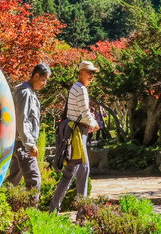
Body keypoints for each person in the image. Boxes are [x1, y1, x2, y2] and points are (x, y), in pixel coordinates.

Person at [48, 61, 100, 212]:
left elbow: (75, 113)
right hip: (78, 133)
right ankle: (83, 210)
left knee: (71, 171)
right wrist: (94, 124)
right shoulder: (81, 89)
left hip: (74, 130)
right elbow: (84, 111)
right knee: (83, 169)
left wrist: (88, 123)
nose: (91, 76)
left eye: (93, 73)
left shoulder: (74, 87)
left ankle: (54, 208)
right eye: (89, 72)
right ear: (81, 72)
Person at [7, 62, 51, 190]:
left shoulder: (28, 91)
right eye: (44, 80)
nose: (44, 84)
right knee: (34, 179)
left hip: (20, 141)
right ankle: (32, 209)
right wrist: (30, 144)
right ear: (36, 76)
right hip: (23, 142)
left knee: (13, 179)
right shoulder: (25, 92)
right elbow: (22, 118)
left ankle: (2, 203)